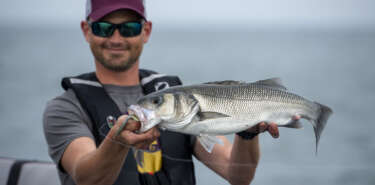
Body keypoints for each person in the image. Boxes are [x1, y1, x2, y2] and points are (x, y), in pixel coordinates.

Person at [43, 0, 282, 185]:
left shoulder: (177, 99)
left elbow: (238, 175)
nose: (116, 38)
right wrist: (118, 142)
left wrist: (247, 133)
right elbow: (88, 178)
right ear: (86, 31)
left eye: (129, 28)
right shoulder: (65, 108)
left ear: (145, 31)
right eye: (104, 28)